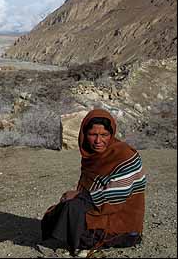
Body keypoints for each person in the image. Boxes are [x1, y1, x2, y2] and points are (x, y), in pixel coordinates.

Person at [41, 109, 146, 257]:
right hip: (100, 207)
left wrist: (79, 195)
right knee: (58, 212)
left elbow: (116, 196)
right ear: (84, 134)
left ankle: (86, 243)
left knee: (72, 209)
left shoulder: (126, 155)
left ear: (112, 134)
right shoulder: (91, 156)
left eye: (104, 135)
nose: (98, 141)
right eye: (92, 135)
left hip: (123, 223)